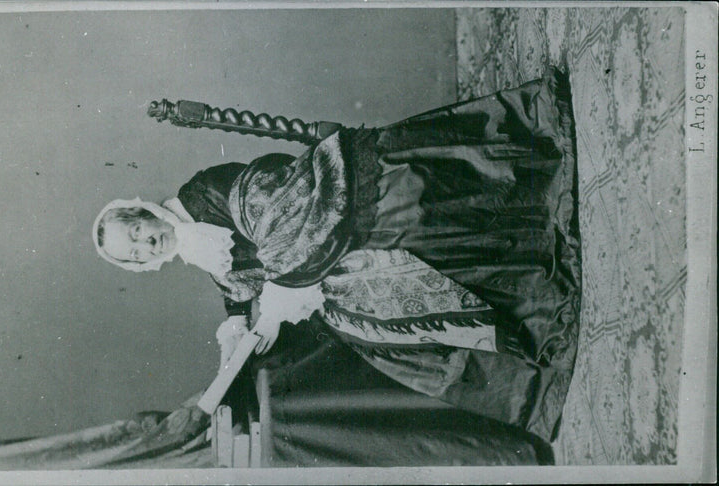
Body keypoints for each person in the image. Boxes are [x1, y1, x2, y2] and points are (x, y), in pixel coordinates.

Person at [93, 68, 581, 440]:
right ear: (141, 265)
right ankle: (523, 365)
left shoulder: (199, 194)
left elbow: (272, 200)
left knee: (378, 262)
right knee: (368, 327)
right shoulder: (193, 248)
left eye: (136, 230)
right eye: (134, 252)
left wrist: (282, 287)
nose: (144, 243)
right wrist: (237, 321)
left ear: (143, 210)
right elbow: (235, 279)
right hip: (311, 259)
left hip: (327, 206)